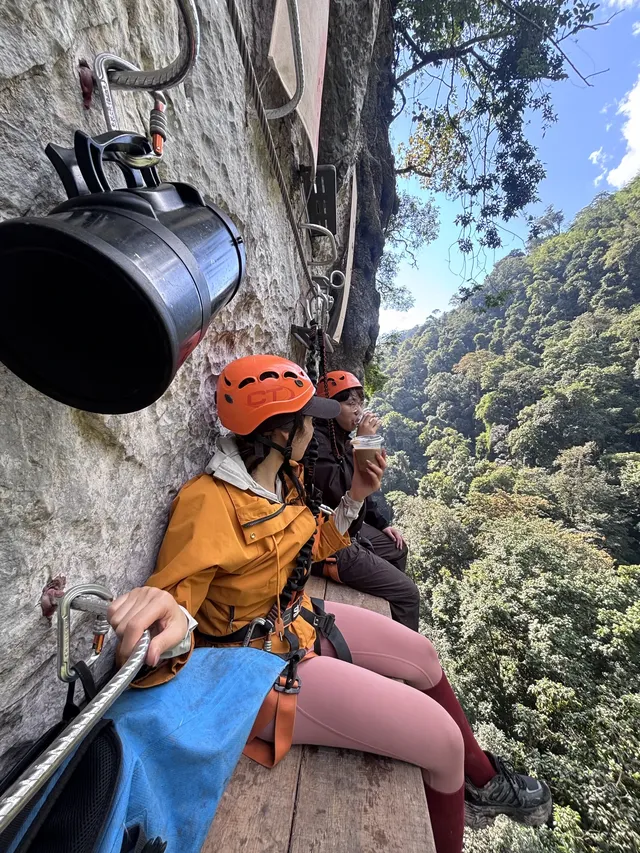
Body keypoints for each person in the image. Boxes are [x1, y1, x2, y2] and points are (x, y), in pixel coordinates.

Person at [106, 354, 552, 853]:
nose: (313, 427)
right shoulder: (208, 502)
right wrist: (164, 613)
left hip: (293, 622)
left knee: (423, 657)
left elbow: (310, 545)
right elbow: (176, 607)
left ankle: (486, 784)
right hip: (261, 667)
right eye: (307, 418)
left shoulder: (281, 480)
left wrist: (358, 494)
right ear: (280, 430)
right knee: (443, 742)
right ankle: (466, 793)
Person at [312, 370, 420, 631]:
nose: (358, 409)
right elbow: (338, 491)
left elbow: (364, 489)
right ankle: (402, 653)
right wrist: (360, 444)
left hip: (351, 527)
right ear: (328, 406)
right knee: (409, 595)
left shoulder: (341, 440)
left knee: (397, 548)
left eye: (360, 402)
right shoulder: (316, 442)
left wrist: (382, 523)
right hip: (330, 543)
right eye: (350, 403)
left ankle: (383, 609)